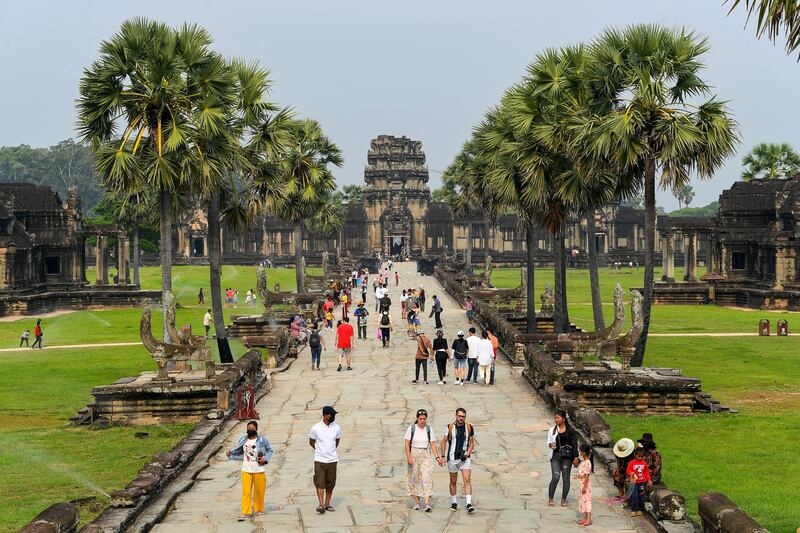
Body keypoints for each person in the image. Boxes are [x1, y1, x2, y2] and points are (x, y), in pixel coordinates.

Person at [226, 420, 273, 521]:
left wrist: (265, 459)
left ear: (256, 429)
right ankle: (246, 512)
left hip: (259, 469)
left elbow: (270, 450)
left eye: (252, 428)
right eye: (249, 428)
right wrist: (230, 453)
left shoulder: (262, 440)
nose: (250, 430)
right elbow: (238, 451)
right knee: (246, 492)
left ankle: (258, 509)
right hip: (246, 469)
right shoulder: (243, 439)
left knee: (259, 491)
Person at [405, 409, 444, 511]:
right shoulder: (411, 429)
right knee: (415, 478)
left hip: (426, 455)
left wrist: (437, 457)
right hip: (414, 454)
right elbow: (406, 443)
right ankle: (417, 502)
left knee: (427, 477)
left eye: (424, 419)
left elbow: (432, 444)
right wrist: (408, 457)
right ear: (417, 418)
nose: (422, 420)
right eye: (420, 419)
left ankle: (427, 503)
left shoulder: (429, 429)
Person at [440, 407, 475, 513]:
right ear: (456, 416)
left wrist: (468, 452)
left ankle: (469, 503)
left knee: (467, 479)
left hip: (465, 458)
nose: (461, 418)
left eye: (463, 416)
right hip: (452, 458)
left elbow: (472, 442)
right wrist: (442, 456)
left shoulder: (469, 427)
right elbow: (443, 441)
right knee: (453, 480)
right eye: (459, 416)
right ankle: (454, 502)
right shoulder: (450, 427)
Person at [309, 406, 341, 514]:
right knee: (319, 483)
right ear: (325, 415)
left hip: (332, 459)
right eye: (331, 415)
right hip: (319, 459)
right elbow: (311, 442)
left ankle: (327, 504)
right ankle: (321, 505)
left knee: (330, 483)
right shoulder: (315, 428)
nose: (333, 417)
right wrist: (320, 450)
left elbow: (337, 441)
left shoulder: (336, 427)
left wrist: (330, 450)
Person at [547, 409, 579, 507]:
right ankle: (551, 498)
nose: (556, 419)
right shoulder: (552, 430)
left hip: (567, 458)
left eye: (558, 418)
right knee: (555, 477)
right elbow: (548, 441)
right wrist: (551, 445)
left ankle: (563, 499)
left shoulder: (571, 431)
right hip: (556, 456)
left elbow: (574, 444)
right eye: (555, 418)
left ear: (563, 419)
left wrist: (576, 457)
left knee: (566, 478)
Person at [626, 446, 652, 517]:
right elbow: (628, 470)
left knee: (642, 496)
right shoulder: (631, 463)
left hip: (642, 482)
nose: (640, 458)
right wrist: (631, 473)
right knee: (634, 496)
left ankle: (640, 509)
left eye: (642, 456)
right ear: (635, 455)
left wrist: (649, 480)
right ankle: (633, 510)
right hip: (633, 482)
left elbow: (646, 472)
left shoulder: (644, 463)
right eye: (639, 456)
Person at [577, 443, 594, 526]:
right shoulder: (585, 462)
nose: (579, 452)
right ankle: (586, 518)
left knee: (587, 502)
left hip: (586, 486)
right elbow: (583, 474)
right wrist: (578, 476)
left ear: (583, 452)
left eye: (580, 450)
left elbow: (587, 476)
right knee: (583, 501)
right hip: (582, 484)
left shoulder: (587, 462)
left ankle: (589, 519)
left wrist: (584, 487)